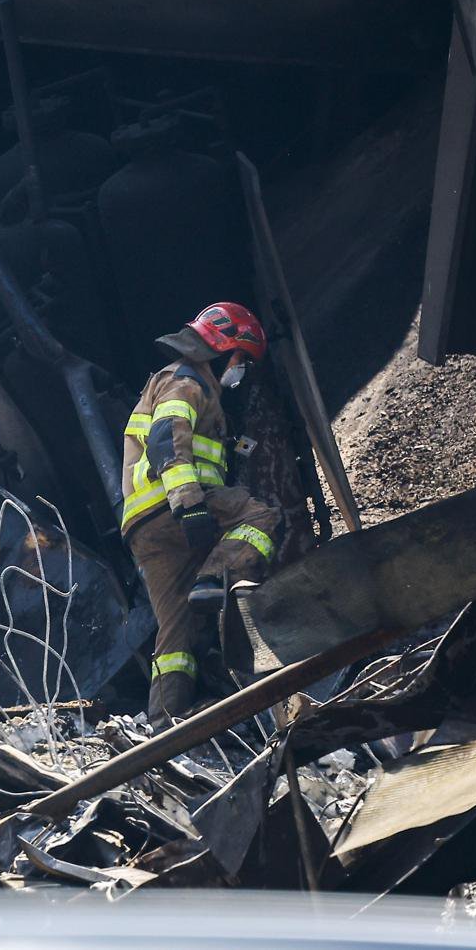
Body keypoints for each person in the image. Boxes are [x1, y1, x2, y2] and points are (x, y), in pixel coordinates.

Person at [121, 301, 281, 725]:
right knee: (261, 519)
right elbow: (165, 440)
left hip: (144, 528)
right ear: (224, 348)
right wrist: (189, 505)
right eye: (241, 358)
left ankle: (163, 726)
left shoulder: (173, 383)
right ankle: (213, 580)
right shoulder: (187, 381)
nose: (240, 369)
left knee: (175, 634)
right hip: (175, 504)